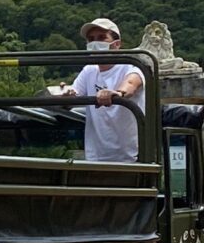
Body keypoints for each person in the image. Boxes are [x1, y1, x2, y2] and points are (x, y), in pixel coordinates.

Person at [50, 16, 145, 162]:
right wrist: (66, 97)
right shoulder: (89, 71)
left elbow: (131, 84)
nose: (95, 43)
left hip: (130, 157)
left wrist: (117, 93)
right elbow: (73, 96)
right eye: (91, 39)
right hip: (96, 158)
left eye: (101, 38)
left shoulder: (131, 66)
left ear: (117, 44)